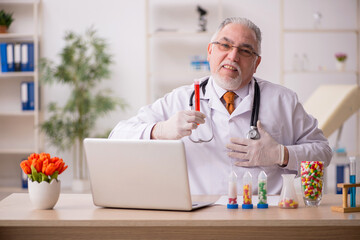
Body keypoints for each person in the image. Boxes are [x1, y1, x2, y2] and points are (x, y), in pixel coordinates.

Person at [109, 17, 332, 195]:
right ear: (210, 51)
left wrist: (280, 154)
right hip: (199, 217)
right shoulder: (178, 100)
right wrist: (160, 130)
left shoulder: (283, 101)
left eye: (245, 51)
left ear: (256, 63)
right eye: (225, 45)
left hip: (265, 216)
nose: (232, 55)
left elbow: (323, 152)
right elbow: (116, 136)